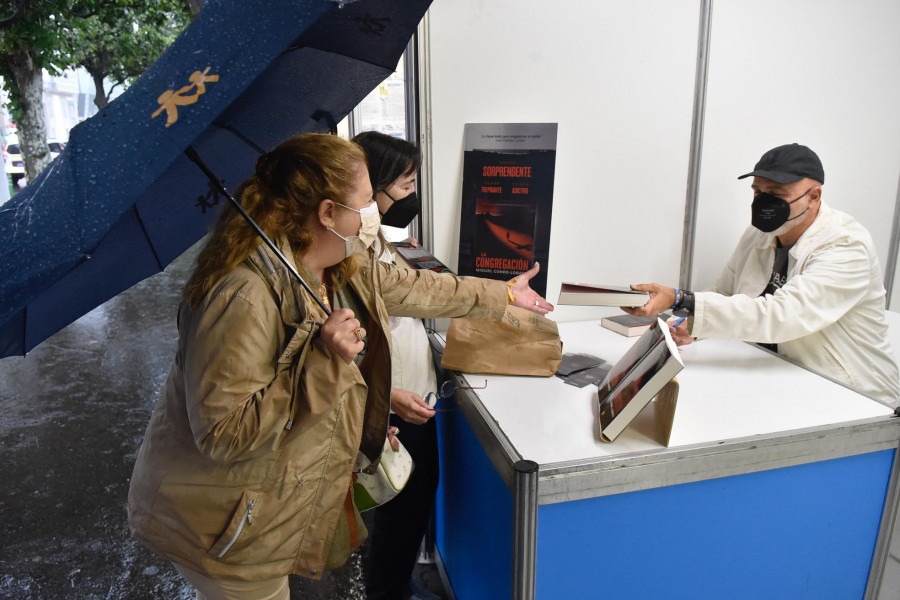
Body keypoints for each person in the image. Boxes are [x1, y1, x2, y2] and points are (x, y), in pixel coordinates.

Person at [127, 133, 553, 599]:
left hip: (258, 505)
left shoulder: (337, 265)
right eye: (367, 200)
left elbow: (417, 289)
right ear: (327, 213)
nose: (374, 213)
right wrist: (328, 361)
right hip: (222, 527)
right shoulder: (243, 295)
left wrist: (503, 294)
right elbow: (226, 433)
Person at [625, 143, 899, 407]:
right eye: (758, 192)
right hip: (778, 375)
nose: (764, 203)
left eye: (777, 194)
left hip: (853, 394)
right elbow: (724, 292)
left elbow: (782, 315)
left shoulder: (847, 245)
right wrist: (691, 326)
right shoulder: (759, 234)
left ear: (814, 196)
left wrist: (679, 298)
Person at [352, 131, 439, 600]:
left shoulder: (380, 242)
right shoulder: (351, 251)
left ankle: (393, 586)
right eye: (404, 186)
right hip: (396, 405)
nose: (411, 196)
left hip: (408, 397)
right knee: (398, 509)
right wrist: (381, 401)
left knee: (408, 505)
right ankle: (388, 593)